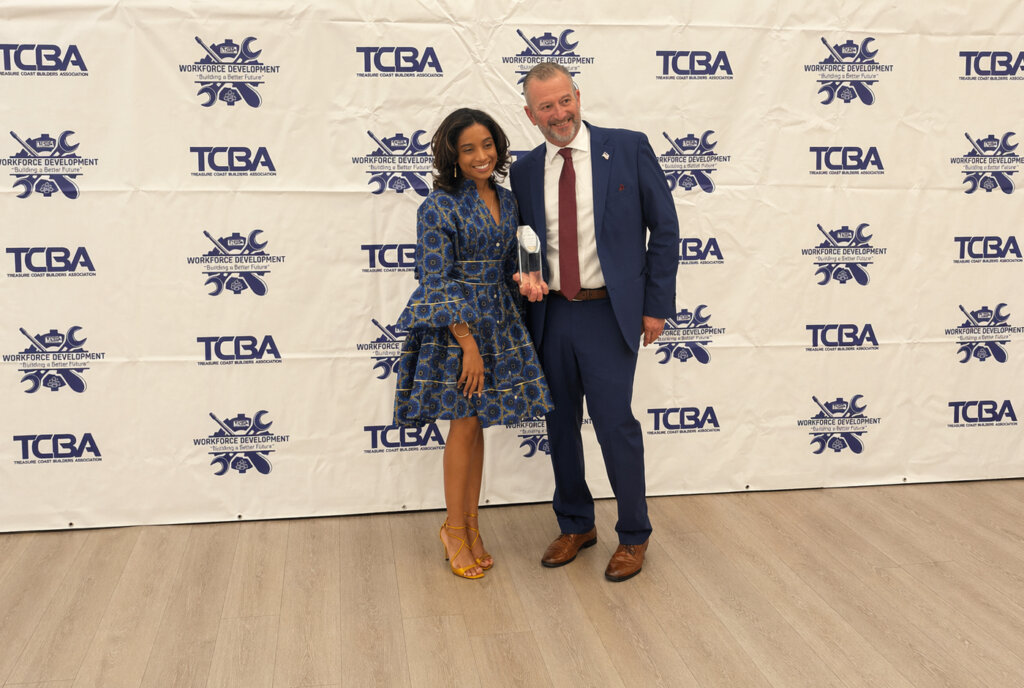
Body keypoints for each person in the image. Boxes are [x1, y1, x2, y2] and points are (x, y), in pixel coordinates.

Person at [509, 63, 679, 582]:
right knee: (559, 426)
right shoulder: (522, 169)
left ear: (578, 96)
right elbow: (520, 241)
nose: (559, 113)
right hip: (551, 316)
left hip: (609, 314)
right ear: (530, 113)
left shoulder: (627, 147)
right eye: (546, 106)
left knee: (615, 427)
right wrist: (524, 278)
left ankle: (634, 535)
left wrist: (656, 306)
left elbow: (665, 229)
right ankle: (577, 524)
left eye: (565, 100)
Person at [394, 108, 554, 579]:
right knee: (462, 426)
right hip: (457, 329)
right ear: (453, 155)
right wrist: (467, 344)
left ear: (499, 149)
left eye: (488, 145)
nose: (481, 156)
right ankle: (453, 530)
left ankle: (471, 525)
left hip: (500, 319)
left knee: (476, 425)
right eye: (469, 149)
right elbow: (434, 279)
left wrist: (527, 279)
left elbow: (510, 261)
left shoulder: (508, 199)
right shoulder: (438, 206)